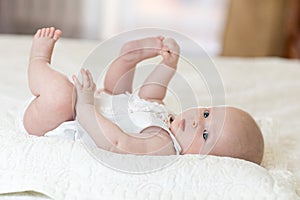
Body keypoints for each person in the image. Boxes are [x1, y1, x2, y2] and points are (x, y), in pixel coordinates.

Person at [21, 27, 264, 165]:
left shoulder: (164, 147)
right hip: (104, 102)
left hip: (61, 120)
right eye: (207, 113)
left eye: (205, 134)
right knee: (124, 91)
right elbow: (151, 98)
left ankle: (38, 61)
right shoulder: (169, 123)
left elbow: (116, 143)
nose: (196, 121)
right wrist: (169, 65)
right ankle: (131, 56)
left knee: (61, 94)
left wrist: (84, 104)